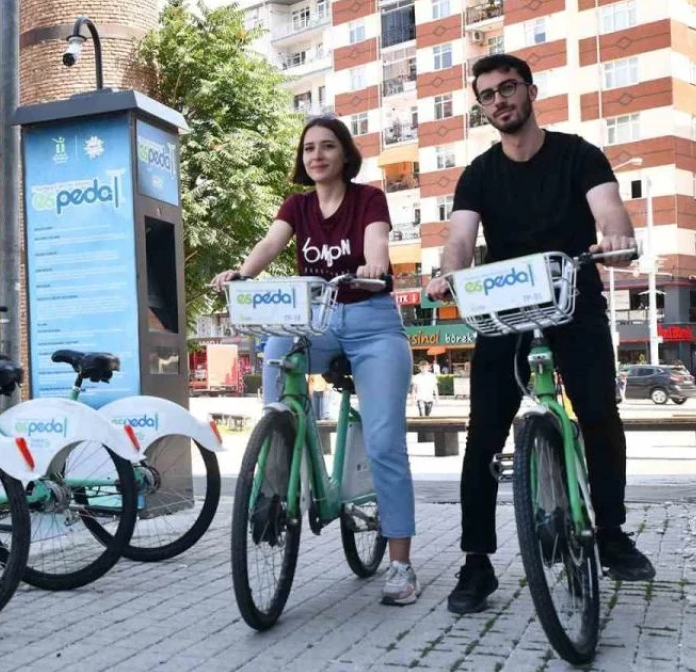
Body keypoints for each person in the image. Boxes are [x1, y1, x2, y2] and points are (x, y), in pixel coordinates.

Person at [425, 53, 653, 616]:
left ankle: (612, 533)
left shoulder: (578, 154)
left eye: (508, 89)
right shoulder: (477, 173)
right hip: (505, 309)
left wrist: (617, 240)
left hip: (573, 299)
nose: (499, 100)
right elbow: (460, 240)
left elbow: (611, 216)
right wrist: (447, 274)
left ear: (530, 91)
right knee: (482, 437)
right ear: (481, 107)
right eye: (487, 95)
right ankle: (476, 560)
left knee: (599, 413)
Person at [212, 116, 420, 606]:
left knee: (385, 439)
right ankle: (278, 458)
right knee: (275, 349)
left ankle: (401, 565)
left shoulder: (368, 198)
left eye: (328, 147)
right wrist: (241, 273)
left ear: (345, 154)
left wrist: (373, 266)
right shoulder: (298, 205)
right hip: (316, 320)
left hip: (371, 320)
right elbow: (270, 243)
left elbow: (377, 243)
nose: (317, 155)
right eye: (309, 149)